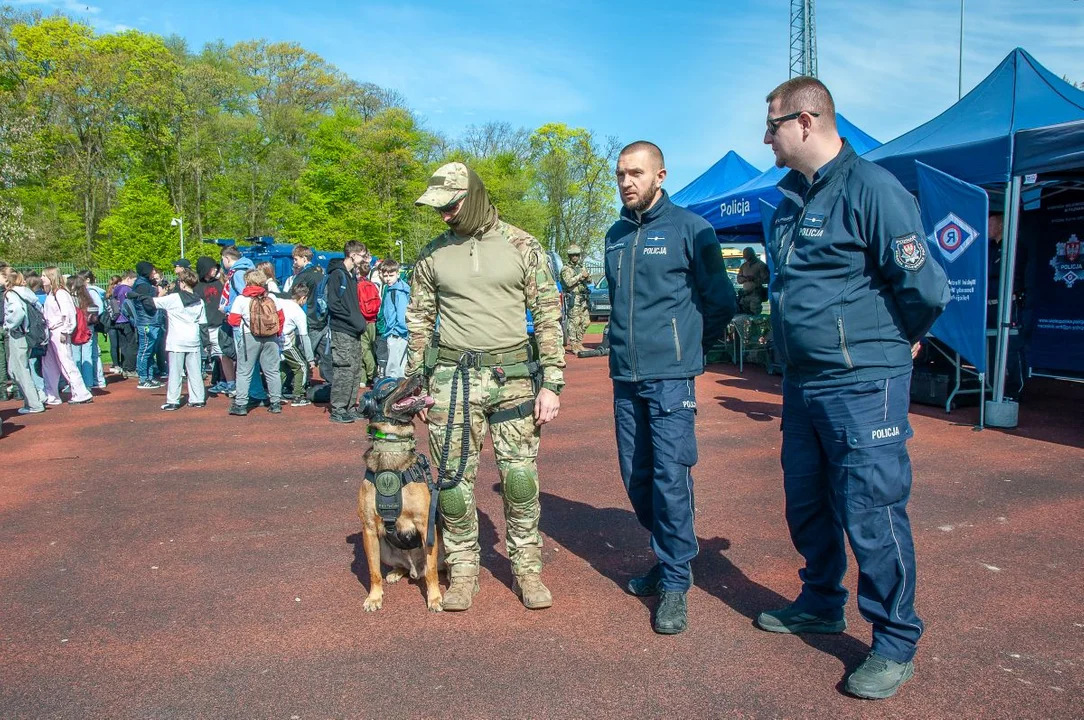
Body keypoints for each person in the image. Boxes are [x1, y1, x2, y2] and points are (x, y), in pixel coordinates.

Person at [755, 77, 949, 700]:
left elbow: (925, 289)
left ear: (806, 122)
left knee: (871, 510)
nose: (767, 137)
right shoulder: (788, 204)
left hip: (865, 383)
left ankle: (895, 640)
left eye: (774, 125)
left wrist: (895, 342)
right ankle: (820, 603)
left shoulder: (873, 189)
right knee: (807, 502)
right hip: (804, 384)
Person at [409, 162, 564, 611]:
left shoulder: (523, 245)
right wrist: (419, 382)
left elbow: (549, 316)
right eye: (438, 209)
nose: (444, 216)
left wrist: (552, 381)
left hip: (513, 378)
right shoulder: (431, 254)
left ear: (473, 197)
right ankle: (462, 573)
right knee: (454, 484)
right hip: (452, 382)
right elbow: (418, 320)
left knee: (519, 479)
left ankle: (528, 571)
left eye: (451, 206)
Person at [605, 141, 735, 635]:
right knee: (636, 477)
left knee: (669, 476)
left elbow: (720, 302)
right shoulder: (615, 235)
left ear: (661, 175)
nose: (626, 182)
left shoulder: (691, 229)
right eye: (620, 174)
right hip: (625, 377)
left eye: (636, 173)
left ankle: (676, 581)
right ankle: (668, 556)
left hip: (670, 378)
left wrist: (685, 348)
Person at [143, 267, 207, 410]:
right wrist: (206, 343)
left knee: (175, 372)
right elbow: (203, 324)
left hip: (177, 340)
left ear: (183, 283)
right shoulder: (200, 301)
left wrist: (137, 295)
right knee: (195, 371)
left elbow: (151, 303)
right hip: (193, 339)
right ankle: (198, 399)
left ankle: (173, 400)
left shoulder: (173, 298)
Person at [226, 268, 285, 415]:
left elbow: (233, 320)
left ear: (247, 281)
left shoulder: (241, 299)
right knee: (272, 371)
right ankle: (276, 403)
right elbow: (281, 317)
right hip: (271, 336)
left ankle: (240, 404)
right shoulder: (271, 297)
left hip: (249, 337)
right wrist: (277, 333)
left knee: (244, 371)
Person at [326, 242, 368, 423]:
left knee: (354, 369)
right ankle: (338, 408)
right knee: (343, 369)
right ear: (353, 255)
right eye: (363, 255)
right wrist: (353, 319)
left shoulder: (350, 275)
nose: (365, 258)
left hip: (353, 330)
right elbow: (334, 304)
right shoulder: (337, 274)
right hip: (342, 330)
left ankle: (350, 406)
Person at [40, 266, 93, 405]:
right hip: (51, 331)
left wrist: (65, 331)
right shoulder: (51, 294)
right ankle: (52, 395)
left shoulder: (60, 293)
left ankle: (81, 393)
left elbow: (69, 313)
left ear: (51, 277)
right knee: (49, 365)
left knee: (66, 362)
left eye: (44, 276)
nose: (41, 279)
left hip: (59, 331)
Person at [2, 269, 46, 414]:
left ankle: (35, 403)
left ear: (7, 279)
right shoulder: (26, 292)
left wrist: (9, 325)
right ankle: (32, 400)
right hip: (28, 334)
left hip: (19, 334)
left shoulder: (11, 294)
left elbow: (17, 312)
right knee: (16, 369)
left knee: (20, 370)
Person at [129, 262, 166, 389]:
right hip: (147, 322)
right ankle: (143, 378)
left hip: (153, 321)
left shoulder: (146, 284)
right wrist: (160, 296)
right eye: (152, 271)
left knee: (150, 351)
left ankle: (149, 377)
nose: (154, 274)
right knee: (145, 350)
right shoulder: (142, 286)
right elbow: (149, 305)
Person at [194, 257, 227, 392]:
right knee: (208, 355)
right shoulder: (197, 286)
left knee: (222, 355)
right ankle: (216, 380)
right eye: (211, 268)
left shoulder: (220, 283)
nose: (214, 270)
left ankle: (225, 381)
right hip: (205, 326)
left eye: (215, 267)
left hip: (219, 324)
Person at [280, 284, 315, 406]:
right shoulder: (299, 313)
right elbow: (304, 337)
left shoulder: (281, 303)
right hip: (285, 342)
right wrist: (310, 359)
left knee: (283, 367)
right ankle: (298, 395)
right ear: (303, 298)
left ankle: (276, 391)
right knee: (301, 366)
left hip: (274, 339)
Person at [378, 259, 409, 379]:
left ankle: (393, 390)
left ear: (398, 274)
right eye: (385, 276)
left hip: (397, 333)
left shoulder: (397, 291)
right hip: (395, 331)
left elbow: (401, 314)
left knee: (393, 367)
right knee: (399, 365)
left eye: (391, 275)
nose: (388, 279)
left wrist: (397, 330)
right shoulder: (392, 289)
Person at [560, 244, 591, 354]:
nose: (575, 257)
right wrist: (579, 276)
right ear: (569, 256)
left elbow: (589, 280)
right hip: (574, 297)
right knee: (574, 321)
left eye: (577, 255)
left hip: (583, 297)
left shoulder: (581, 267)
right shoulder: (566, 269)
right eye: (573, 255)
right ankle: (574, 344)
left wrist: (587, 277)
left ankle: (579, 342)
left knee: (586, 322)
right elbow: (568, 283)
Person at [111, 272, 137, 377]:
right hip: (126, 320)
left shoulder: (116, 289)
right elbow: (128, 305)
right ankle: (130, 369)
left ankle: (125, 367)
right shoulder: (126, 290)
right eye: (134, 280)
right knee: (131, 345)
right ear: (128, 278)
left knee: (124, 345)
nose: (134, 283)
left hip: (117, 320)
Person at [735, 246, 770, 315]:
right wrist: (745, 279)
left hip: (756, 293)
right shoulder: (743, 266)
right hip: (745, 294)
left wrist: (754, 279)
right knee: (744, 312)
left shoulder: (761, 265)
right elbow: (739, 279)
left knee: (755, 312)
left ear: (752, 254)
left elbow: (766, 280)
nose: (746, 257)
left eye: (747, 255)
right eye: (744, 255)